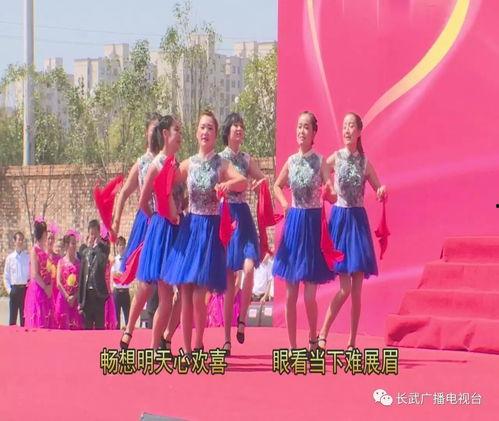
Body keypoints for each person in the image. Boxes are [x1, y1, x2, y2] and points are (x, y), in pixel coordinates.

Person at [163, 110, 247, 357]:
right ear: (196, 132)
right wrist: (171, 209)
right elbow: (166, 183)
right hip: (190, 229)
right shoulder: (188, 163)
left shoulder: (221, 163)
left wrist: (226, 184)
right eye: (202, 127)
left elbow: (242, 181)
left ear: (215, 133)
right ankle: (188, 349)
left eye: (210, 128)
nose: (205, 132)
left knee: (200, 295)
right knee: (186, 291)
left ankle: (199, 342)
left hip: (210, 230)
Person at [318, 112, 387, 350]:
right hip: (340, 220)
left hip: (358, 223)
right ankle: (323, 333)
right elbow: (320, 169)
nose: (347, 130)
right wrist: (325, 185)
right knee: (345, 288)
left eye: (351, 126)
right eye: (344, 126)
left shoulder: (364, 162)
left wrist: (381, 190)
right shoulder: (336, 157)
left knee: (356, 291)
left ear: (359, 132)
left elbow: (378, 187)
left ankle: (352, 342)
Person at [272, 111, 336, 350]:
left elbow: (332, 193)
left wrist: (329, 194)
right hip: (295, 226)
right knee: (290, 294)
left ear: (314, 133)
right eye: (299, 126)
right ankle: (292, 347)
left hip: (313, 226)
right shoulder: (291, 161)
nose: (301, 131)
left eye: (306, 127)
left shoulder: (320, 161)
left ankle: (313, 339)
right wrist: (285, 204)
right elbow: (277, 186)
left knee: (309, 295)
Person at [120, 114, 184, 349]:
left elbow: (182, 197)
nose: (180, 136)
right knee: (161, 293)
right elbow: (143, 202)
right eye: (177, 131)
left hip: (179, 230)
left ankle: (164, 340)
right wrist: (158, 220)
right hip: (162, 231)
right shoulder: (155, 165)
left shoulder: (177, 164)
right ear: (165, 134)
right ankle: (152, 344)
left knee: (183, 292)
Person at [218, 112, 267, 353]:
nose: (239, 129)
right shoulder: (219, 159)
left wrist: (259, 186)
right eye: (235, 126)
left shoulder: (246, 159)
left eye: (241, 126)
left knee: (248, 269)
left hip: (244, 217)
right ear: (227, 131)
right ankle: (226, 338)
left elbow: (263, 180)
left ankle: (243, 319)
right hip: (226, 217)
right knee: (229, 282)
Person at [77, 220, 110, 330]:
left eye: (95, 234)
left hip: (98, 294)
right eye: (91, 234)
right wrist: (89, 247)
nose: (93, 237)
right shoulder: (85, 250)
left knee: (99, 325)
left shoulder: (103, 249)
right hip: (87, 295)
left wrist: (97, 246)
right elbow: (81, 256)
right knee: (87, 326)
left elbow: (102, 262)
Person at [24, 219, 54, 328]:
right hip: (38, 289)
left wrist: (50, 285)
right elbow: (35, 274)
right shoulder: (34, 250)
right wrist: (45, 287)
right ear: (43, 233)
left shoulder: (45, 250)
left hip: (46, 289)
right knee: (39, 318)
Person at [55, 231, 83, 329]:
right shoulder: (61, 262)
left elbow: (81, 283)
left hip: (75, 301)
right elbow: (58, 283)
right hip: (63, 299)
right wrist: (67, 297)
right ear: (67, 245)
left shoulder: (79, 263)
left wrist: (74, 297)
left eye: (75, 243)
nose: (75, 246)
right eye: (73, 243)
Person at [3, 231, 29, 326]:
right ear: (14, 241)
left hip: (24, 290)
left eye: (22, 240)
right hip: (14, 290)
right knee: (12, 318)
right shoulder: (10, 258)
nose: (20, 242)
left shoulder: (27, 257)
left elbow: (30, 275)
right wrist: (10, 291)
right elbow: (6, 276)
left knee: (24, 318)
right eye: (19, 239)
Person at [111, 236, 131, 329]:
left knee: (128, 316)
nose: (122, 247)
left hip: (125, 291)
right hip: (117, 291)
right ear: (117, 246)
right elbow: (114, 275)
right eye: (120, 245)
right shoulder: (114, 260)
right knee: (116, 317)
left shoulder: (128, 260)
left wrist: (122, 275)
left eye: (123, 245)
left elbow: (129, 274)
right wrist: (122, 275)